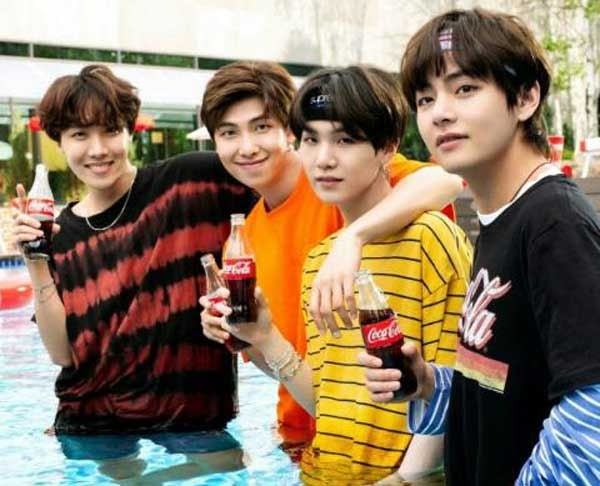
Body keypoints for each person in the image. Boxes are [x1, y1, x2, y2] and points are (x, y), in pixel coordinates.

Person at [359, 8, 600, 485]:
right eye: (425, 98)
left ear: (525, 97)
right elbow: (499, 384)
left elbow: (592, 412)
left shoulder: (553, 222)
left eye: (465, 88)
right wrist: (427, 382)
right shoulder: (501, 220)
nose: (440, 112)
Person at [201, 65, 472, 485]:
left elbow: (462, 387)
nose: (324, 159)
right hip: (318, 468)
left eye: (345, 140)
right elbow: (328, 404)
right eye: (312, 139)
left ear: (387, 148)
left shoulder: (429, 237)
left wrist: (405, 479)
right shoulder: (317, 260)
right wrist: (262, 335)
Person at [11, 65, 256, 438]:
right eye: (79, 134)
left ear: (130, 131)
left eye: (110, 130)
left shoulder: (191, 183)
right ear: (59, 142)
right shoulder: (58, 234)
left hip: (197, 422)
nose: (98, 150)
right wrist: (36, 260)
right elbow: (62, 354)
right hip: (94, 430)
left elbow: (285, 190)